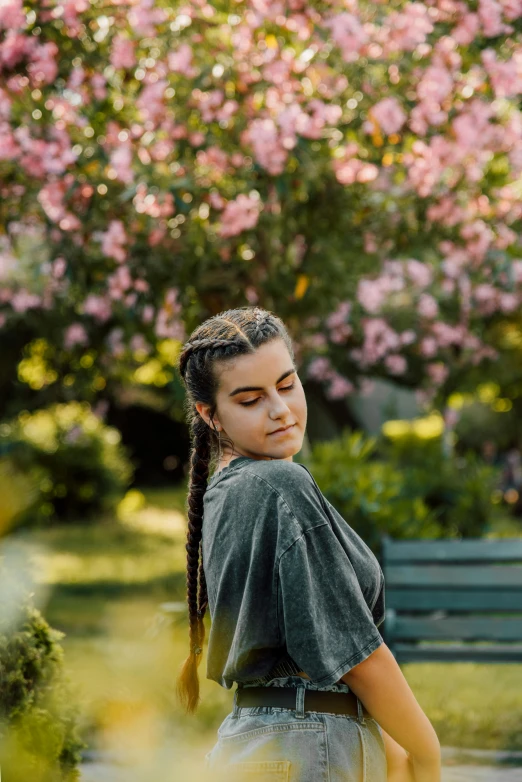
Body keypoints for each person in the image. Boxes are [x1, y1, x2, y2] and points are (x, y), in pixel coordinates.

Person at [175, 306, 441, 782]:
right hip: (307, 745)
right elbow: (357, 655)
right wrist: (427, 751)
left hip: (265, 740)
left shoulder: (230, 488)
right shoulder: (280, 484)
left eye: (286, 384)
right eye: (250, 399)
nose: (279, 410)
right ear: (210, 415)